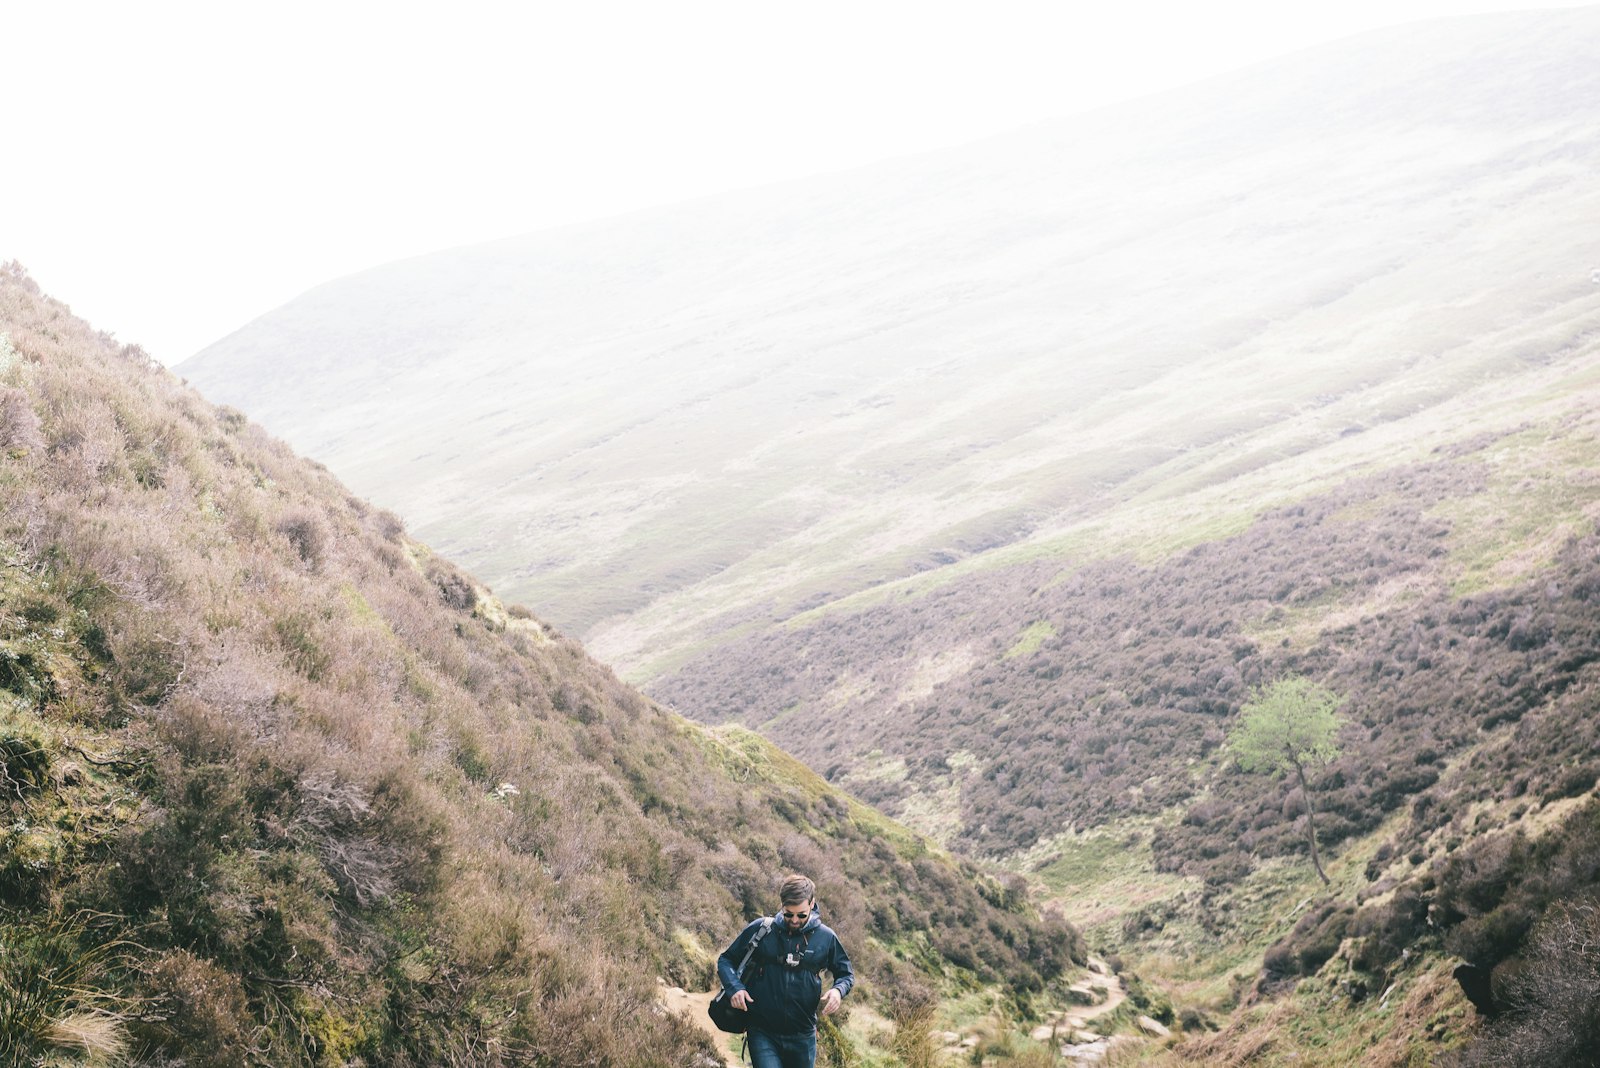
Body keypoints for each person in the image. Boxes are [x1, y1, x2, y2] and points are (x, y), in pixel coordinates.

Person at [716, 873, 855, 1068]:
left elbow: (846, 974)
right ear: (782, 906)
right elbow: (726, 960)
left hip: (803, 1036)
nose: (795, 920)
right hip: (762, 1031)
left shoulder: (826, 937)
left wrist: (838, 991)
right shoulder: (762, 929)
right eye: (789, 914)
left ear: (812, 904)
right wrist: (735, 988)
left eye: (801, 915)